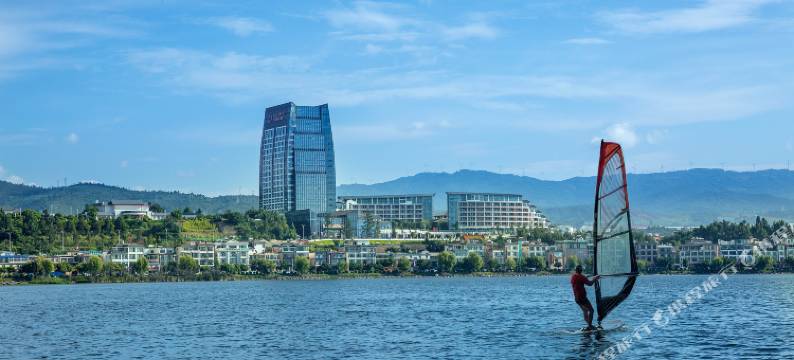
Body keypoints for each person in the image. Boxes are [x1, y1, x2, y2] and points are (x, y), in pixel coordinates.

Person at [571, 264, 600, 331]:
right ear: (581, 270)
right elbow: (590, 284)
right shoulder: (581, 277)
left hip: (577, 299)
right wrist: (595, 278)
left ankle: (589, 325)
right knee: (591, 311)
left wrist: (585, 277)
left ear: (576, 270)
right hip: (582, 298)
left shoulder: (573, 277)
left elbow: (580, 280)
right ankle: (589, 326)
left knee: (585, 310)